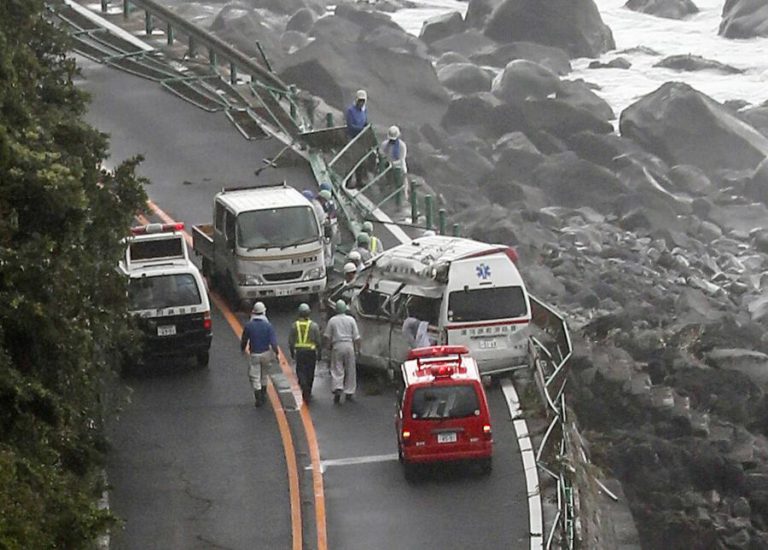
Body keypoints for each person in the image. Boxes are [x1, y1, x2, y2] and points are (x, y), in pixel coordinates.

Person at [240, 301, 278, 407]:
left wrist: (242, 349)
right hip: (266, 353)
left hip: (254, 354)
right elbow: (274, 343)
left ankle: (258, 398)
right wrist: (276, 353)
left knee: (255, 376)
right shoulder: (268, 326)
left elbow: (244, 340)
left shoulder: (249, 325)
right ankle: (264, 394)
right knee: (264, 374)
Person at [324, 299, 361, 404]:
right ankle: (349, 392)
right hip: (349, 345)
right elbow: (357, 337)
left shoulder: (332, 320)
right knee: (350, 369)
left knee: (337, 368)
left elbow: (327, 337)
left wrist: (327, 348)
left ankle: (338, 388)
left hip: (337, 346)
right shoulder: (351, 320)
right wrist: (358, 350)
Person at [288, 303, 323, 403]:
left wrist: (292, 352)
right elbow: (318, 341)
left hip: (300, 352)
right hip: (311, 352)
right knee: (310, 371)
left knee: (301, 370)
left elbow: (291, 341)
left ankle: (303, 385)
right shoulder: (314, 326)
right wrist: (319, 353)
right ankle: (308, 389)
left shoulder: (295, 325)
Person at [379, 125, 408, 198]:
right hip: (388, 169)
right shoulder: (384, 144)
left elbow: (401, 159)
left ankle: (403, 198)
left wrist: (392, 164)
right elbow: (381, 153)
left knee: (401, 188)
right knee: (389, 186)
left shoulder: (402, 146)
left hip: (399, 169)